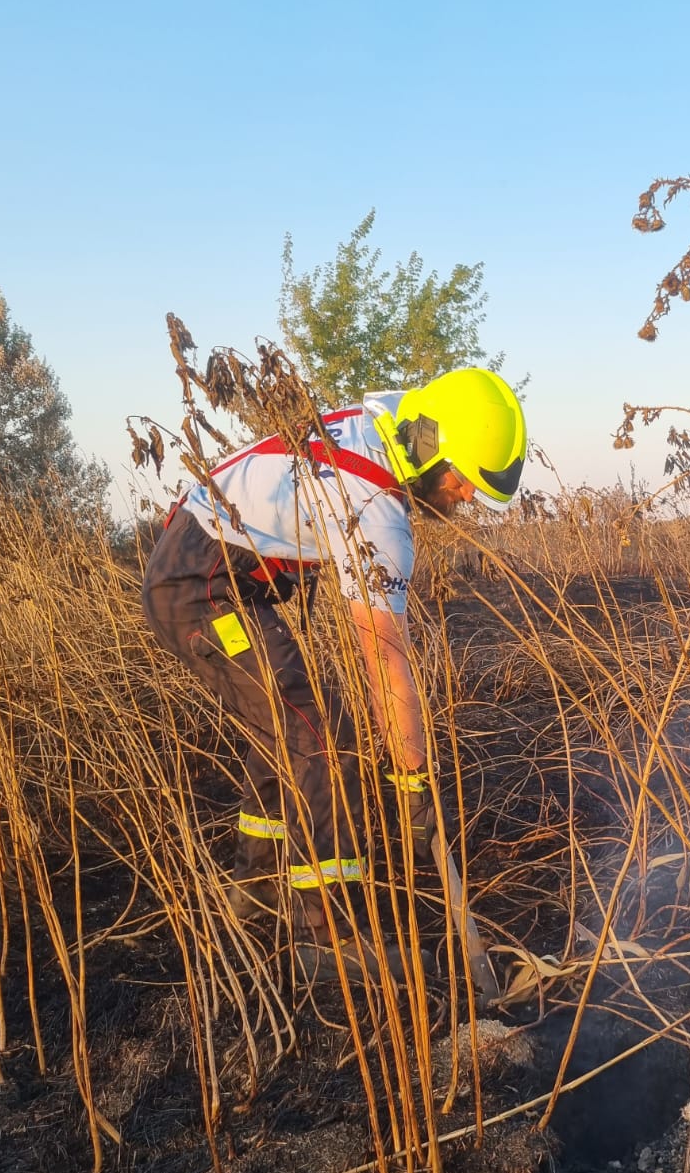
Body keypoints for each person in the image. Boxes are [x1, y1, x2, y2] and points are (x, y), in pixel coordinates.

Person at [141, 366, 527, 985]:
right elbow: (382, 655)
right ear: (432, 448)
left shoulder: (396, 420)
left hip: (223, 577)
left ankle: (256, 891)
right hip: (196, 586)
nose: (467, 499)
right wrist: (412, 779)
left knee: (286, 725)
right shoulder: (377, 512)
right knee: (322, 738)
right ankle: (327, 940)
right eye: (462, 481)